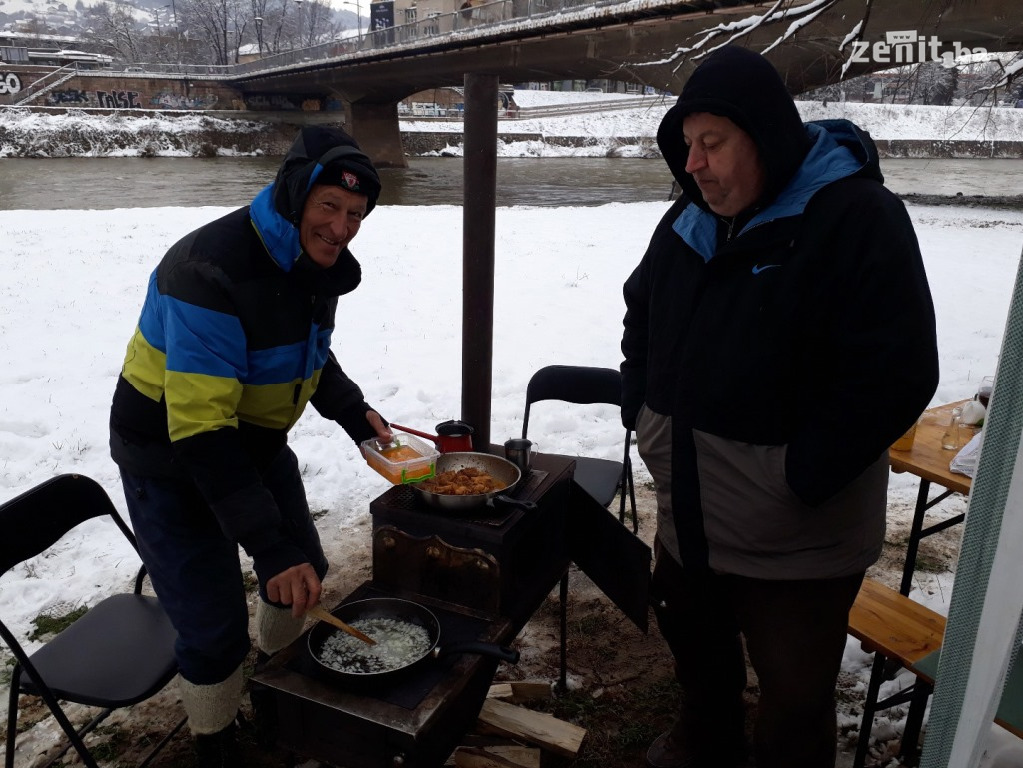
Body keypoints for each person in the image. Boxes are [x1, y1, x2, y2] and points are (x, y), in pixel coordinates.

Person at [621, 46, 939, 768]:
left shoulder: (855, 218)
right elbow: (639, 316)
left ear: (762, 135)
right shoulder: (685, 223)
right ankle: (706, 742)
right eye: (685, 145)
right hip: (690, 513)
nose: (693, 163)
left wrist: (800, 475)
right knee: (696, 653)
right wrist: (641, 411)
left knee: (794, 700)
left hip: (797, 536)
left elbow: (897, 369)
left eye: (712, 143)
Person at [108, 125, 392, 767]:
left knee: (300, 577)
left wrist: (353, 412)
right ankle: (216, 743)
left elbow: (304, 353)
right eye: (329, 206)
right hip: (170, 458)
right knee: (213, 629)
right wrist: (268, 546)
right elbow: (202, 433)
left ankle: (272, 682)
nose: (341, 227)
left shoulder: (310, 264)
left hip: (253, 444)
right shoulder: (209, 270)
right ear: (296, 194)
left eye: (355, 214)